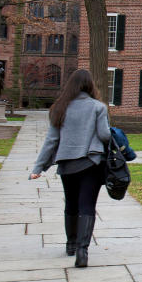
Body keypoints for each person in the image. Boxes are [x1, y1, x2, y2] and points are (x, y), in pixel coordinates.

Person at [30, 69, 111, 268]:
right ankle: (83, 251)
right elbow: (105, 135)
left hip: (67, 164)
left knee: (71, 204)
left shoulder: (59, 108)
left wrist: (38, 167)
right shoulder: (98, 107)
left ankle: (71, 244)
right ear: (90, 85)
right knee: (87, 206)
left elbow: (51, 140)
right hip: (91, 163)